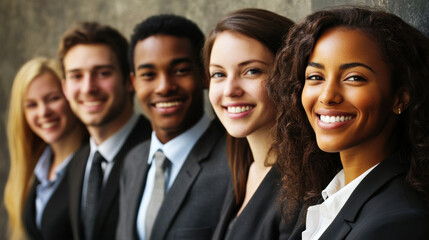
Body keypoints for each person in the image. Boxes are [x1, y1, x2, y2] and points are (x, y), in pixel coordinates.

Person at [267, 6, 429, 239]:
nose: (327, 96)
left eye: (354, 78)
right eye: (316, 77)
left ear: (400, 96)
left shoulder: (398, 222)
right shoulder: (328, 195)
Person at [116, 14, 230, 240]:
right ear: (133, 83)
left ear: (204, 75)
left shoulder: (233, 160)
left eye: (180, 71)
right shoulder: (133, 162)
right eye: (148, 74)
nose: (164, 87)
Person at [203, 8, 296, 240]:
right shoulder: (244, 168)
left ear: (289, 76)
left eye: (251, 71)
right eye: (218, 74)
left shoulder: (303, 190)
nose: (230, 90)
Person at [59, 22, 152, 240]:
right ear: (65, 88)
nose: (88, 87)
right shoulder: (78, 162)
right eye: (76, 76)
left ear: (129, 81)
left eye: (102, 73)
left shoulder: (157, 152)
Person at [4, 57, 86, 240]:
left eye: (53, 99)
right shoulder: (35, 170)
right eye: (32, 105)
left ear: (69, 96)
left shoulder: (94, 164)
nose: (43, 113)